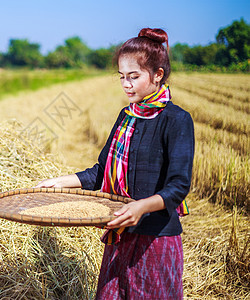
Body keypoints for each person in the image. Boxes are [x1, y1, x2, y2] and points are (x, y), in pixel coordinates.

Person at [35, 28, 195, 299]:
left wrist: (141, 207)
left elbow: (178, 186)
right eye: (122, 77)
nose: (126, 84)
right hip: (121, 233)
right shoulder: (126, 117)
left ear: (158, 75)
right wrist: (61, 182)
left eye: (134, 76)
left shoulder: (176, 120)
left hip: (155, 239)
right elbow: (101, 172)